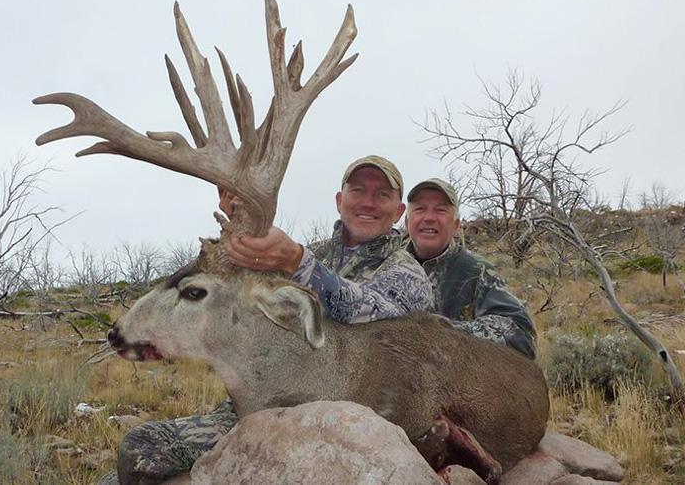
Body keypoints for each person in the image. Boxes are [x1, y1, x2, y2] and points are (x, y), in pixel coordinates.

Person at [114, 155, 433, 485]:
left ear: (399, 212)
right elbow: (233, 295)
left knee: (154, 452)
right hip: (258, 403)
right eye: (358, 190)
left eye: (382, 194)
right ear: (340, 201)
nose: (368, 202)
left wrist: (299, 262)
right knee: (138, 456)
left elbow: (377, 315)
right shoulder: (313, 254)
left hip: (340, 420)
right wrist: (242, 226)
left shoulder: (406, 271)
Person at [404, 177, 536, 359]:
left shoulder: (476, 270)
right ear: (406, 223)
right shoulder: (387, 267)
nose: (429, 218)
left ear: (456, 225)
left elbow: (522, 335)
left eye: (440, 210)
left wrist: (447, 333)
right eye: (420, 209)